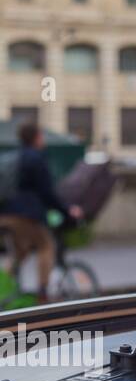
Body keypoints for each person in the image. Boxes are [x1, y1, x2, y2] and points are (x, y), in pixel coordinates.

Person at [0, 123, 83, 302]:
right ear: (37, 138)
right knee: (46, 245)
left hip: (5, 214)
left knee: (21, 251)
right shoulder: (36, 159)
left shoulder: (13, 157)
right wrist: (68, 211)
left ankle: (4, 289)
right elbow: (48, 194)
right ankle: (43, 294)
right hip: (24, 215)